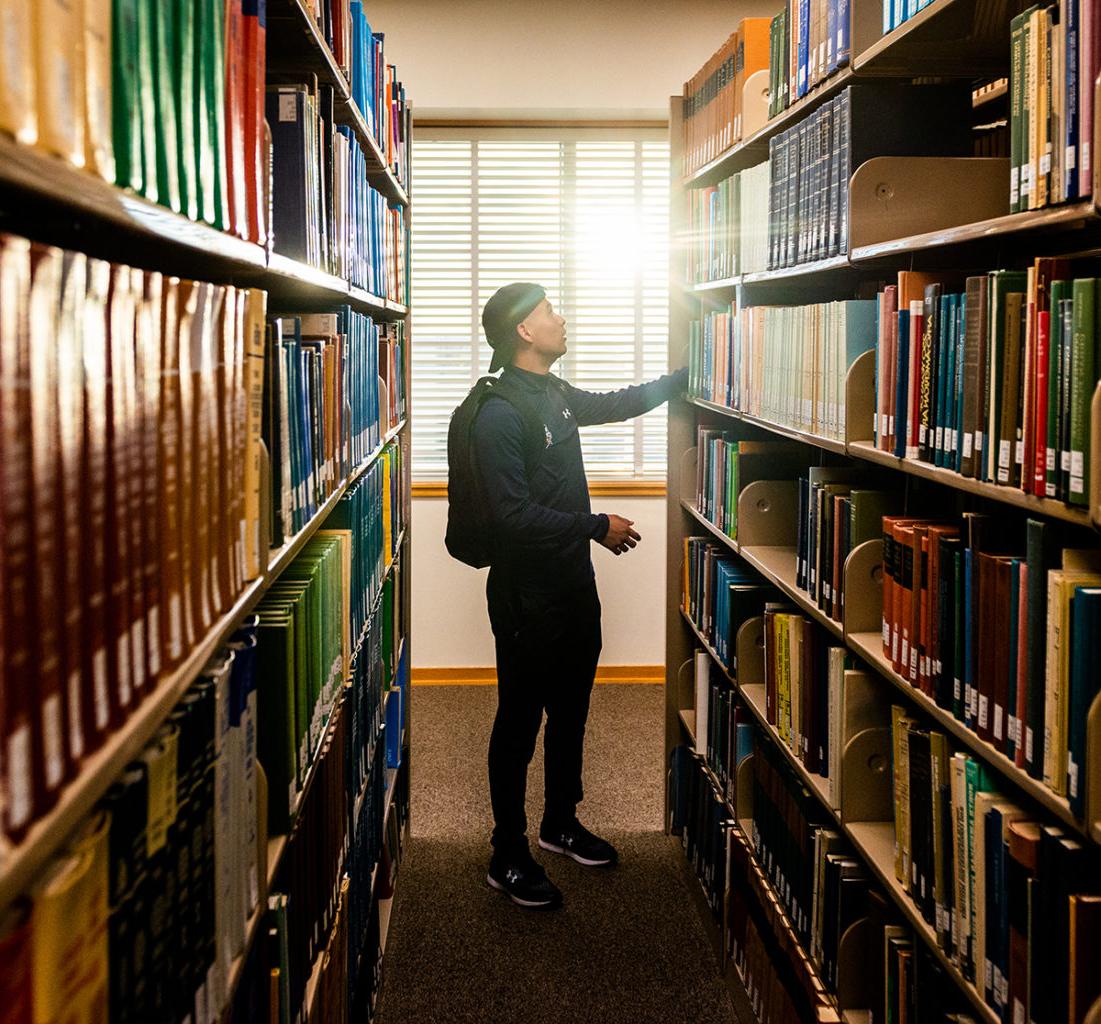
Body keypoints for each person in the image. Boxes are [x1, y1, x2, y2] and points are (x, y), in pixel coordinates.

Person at [472, 281, 687, 909]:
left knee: (571, 712)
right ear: (523, 332)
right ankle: (507, 851)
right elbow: (512, 516)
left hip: (572, 588)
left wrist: (686, 374)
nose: (560, 318)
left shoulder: (554, 395)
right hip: (525, 597)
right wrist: (597, 526)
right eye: (548, 312)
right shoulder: (498, 414)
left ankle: (559, 822)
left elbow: (618, 404)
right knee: (520, 722)